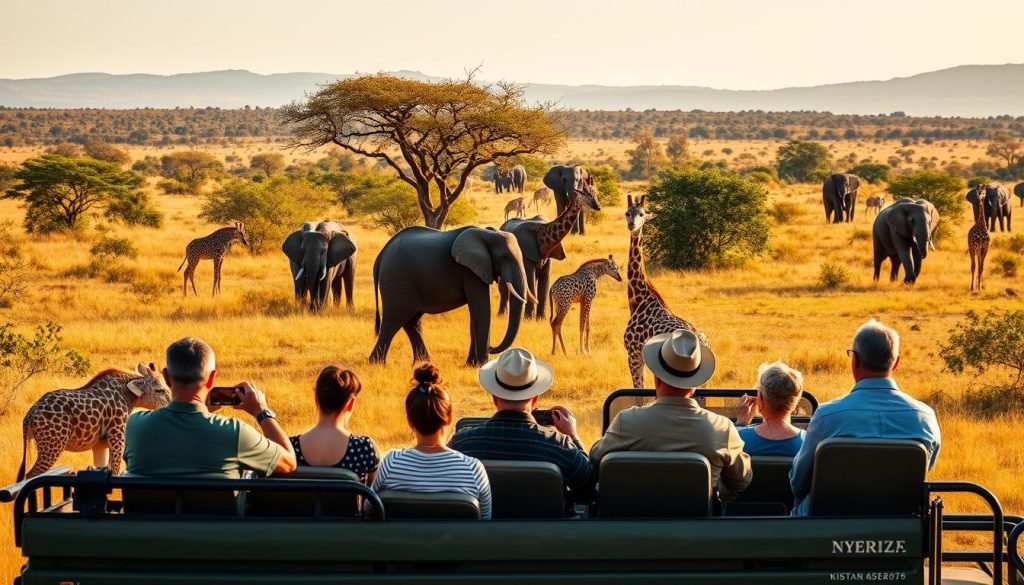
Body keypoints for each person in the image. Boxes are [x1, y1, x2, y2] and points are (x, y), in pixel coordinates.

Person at [789, 320, 941, 516]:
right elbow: (923, 473)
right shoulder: (925, 417)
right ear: (895, 363)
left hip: (829, 526)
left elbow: (798, 483)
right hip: (899, 525)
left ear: (855, 361)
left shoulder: (827, 417)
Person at [590, 329, 752, 502]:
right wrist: (714, 496)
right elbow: (741, 481)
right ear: (695, 384)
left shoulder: (626, 422)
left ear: (656, 378)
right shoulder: (722, 428)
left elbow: (594, 459)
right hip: (698, 527)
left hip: (635, 523)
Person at [125, 337, 296, 477]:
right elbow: (289, 462)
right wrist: (262, 412)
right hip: (218, 520)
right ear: (211, 378)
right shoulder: (235, 433)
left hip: (151, 519)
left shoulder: (135, 426)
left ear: (166, 378)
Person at [449, 347, 596, 499]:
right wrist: (573, 435)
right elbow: (589, 485)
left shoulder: (462, 443)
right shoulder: (559, 446)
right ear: (535, 399)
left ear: (494, 398)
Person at [371, 363, 492, 519]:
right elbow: (485, 520)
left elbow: (369, 509)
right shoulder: (473, 469)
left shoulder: (391, 463)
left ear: (410, 421)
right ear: (450, 419)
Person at [289, 365, 379, 484]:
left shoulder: (290, 447)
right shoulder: (364, 448)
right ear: (351, 403)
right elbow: (373, 494)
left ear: (317, 399)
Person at [734, 361, 806, 457]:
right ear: (796, 402)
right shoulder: (807, 441)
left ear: (762, 398)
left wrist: (741, 423)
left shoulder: (739, 438)